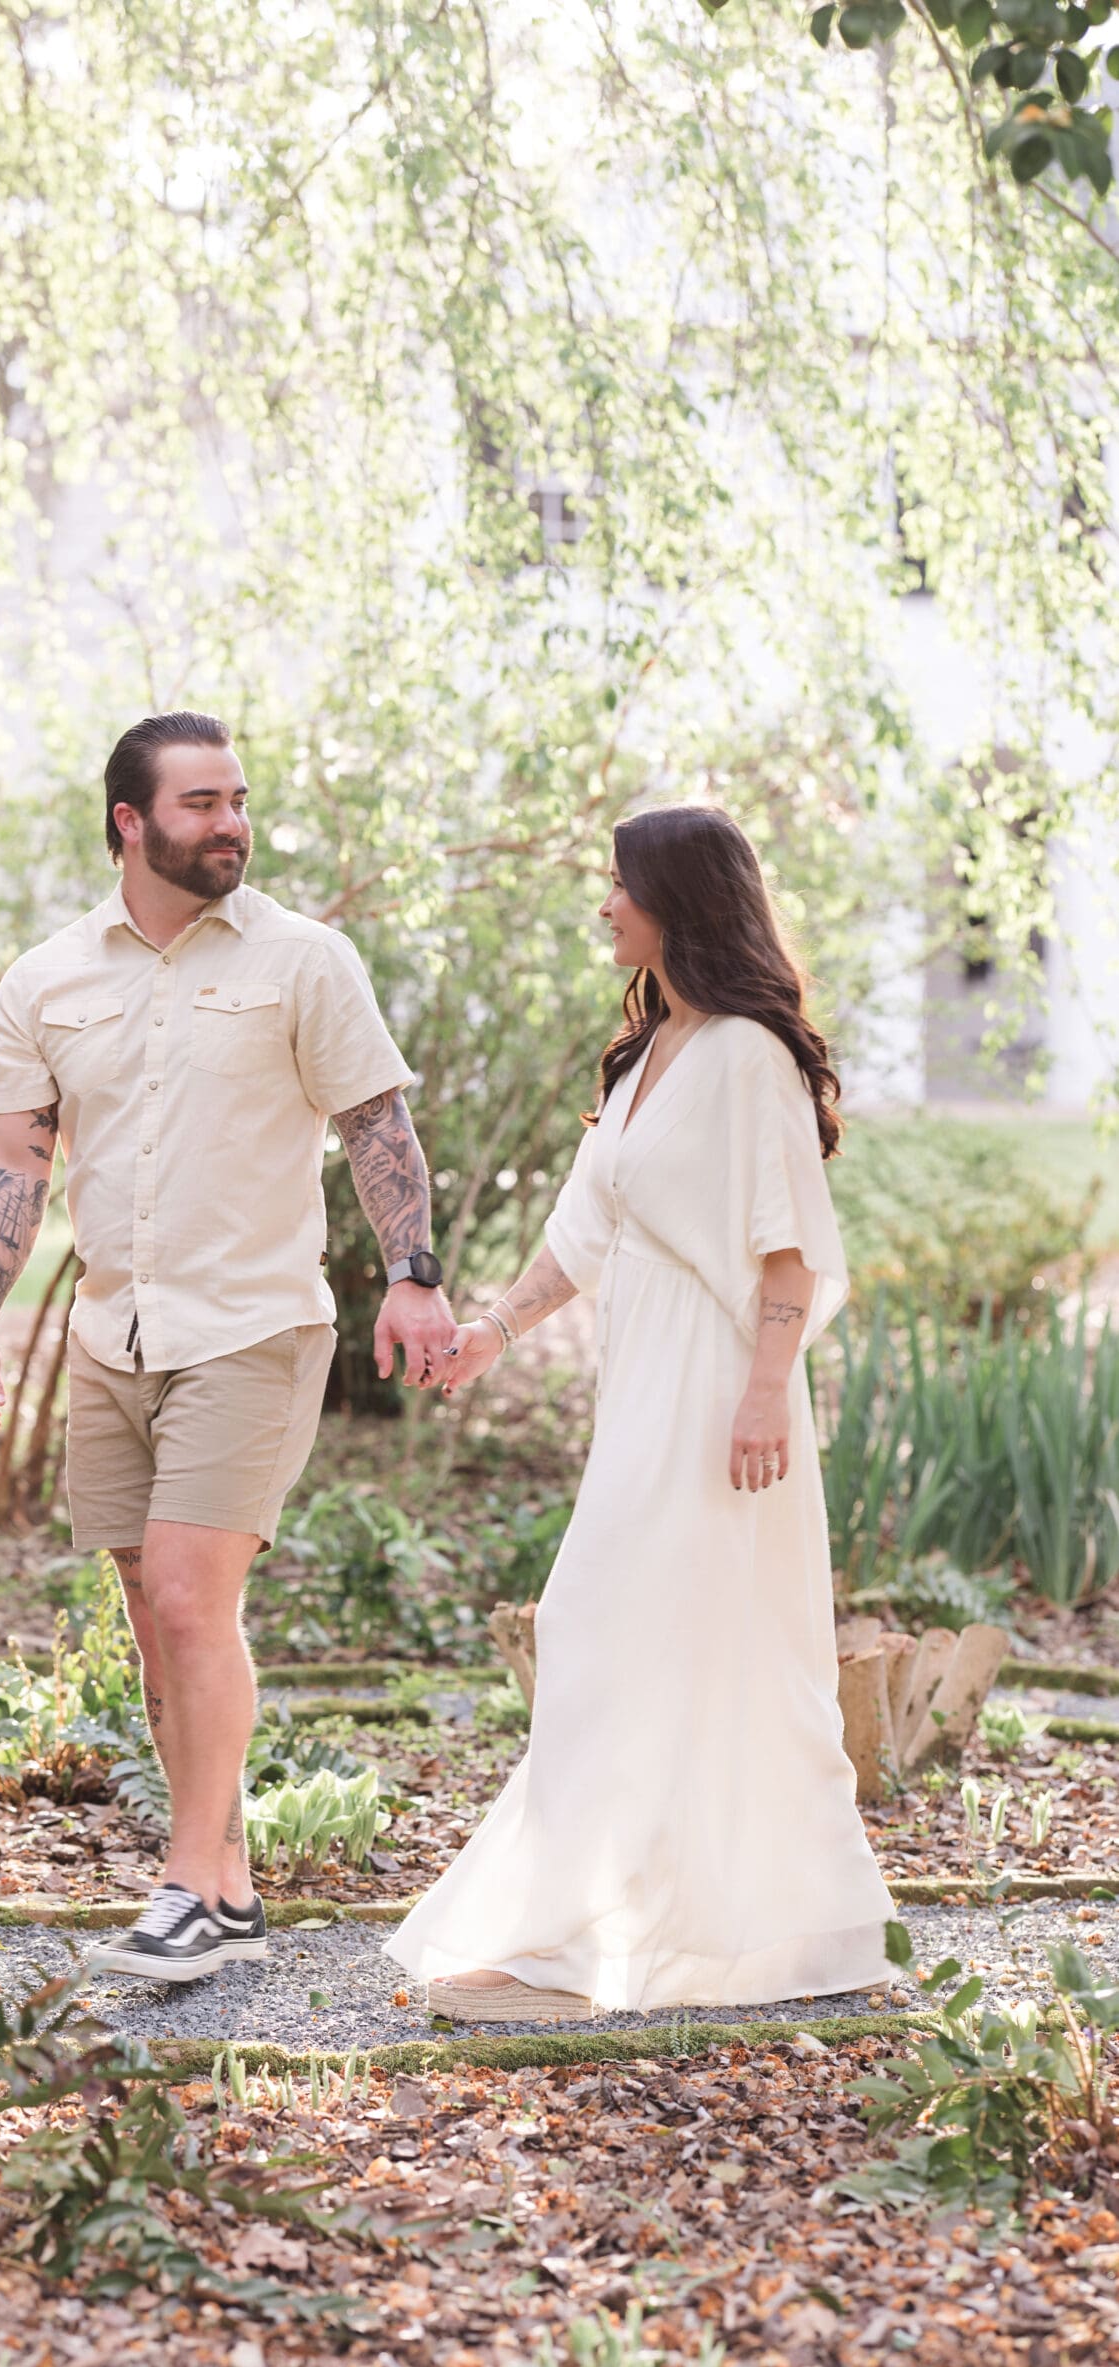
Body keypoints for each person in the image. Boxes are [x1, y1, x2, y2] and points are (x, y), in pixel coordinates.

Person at [0, 710, 457, 1983]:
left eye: (237, 800)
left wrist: (414, 1274)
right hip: (116, 1333)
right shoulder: (47, 978)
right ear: (131, 822)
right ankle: (224, 1885)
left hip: (253, 1327)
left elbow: (377, 1125)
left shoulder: (305, 960)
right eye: (200, 804)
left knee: (188, 1596)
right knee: (151, 1612)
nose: (230, 822)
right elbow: (16, 1154)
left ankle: (182, 1885)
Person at [387, 804, 893, 2021]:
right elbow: (582, 1239)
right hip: (645, 1392)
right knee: (648, 1642)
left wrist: (767, 1395)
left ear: (678, 900)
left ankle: (575, 1942)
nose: (604, 903)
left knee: (623, 1632)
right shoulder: (648, 1056)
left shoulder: (748, 1057)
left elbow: (787, 1253)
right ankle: (655, 1930)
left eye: (621, 884)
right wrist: (489, 1337)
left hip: (723, 1399)